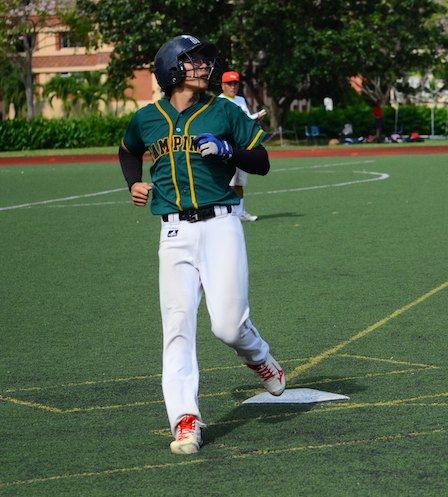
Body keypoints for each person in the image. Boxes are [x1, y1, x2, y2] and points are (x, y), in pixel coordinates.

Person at [118, 34, 286, 455]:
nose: (203, 67)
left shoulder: (224, 111)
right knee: (176, 328)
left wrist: (229, 150)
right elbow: (128, 151)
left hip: (221, 224)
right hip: (173, 232)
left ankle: (258, 355)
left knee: (227, 326)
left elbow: (261, 162)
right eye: (193, 61)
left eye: (204, 61)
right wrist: (134, 182)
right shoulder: (147, 118)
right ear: (171, 68)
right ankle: (185, 420)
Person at [219, 70, 259, 221]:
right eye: (229, 84)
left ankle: (240, 211)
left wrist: (255, 120)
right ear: (223, 85)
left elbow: (245, 120)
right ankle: (226, 214)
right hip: (227, 148)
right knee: (226, 182)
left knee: (240, 182)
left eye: (235, 83)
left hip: (242, 148)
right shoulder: (219, 101)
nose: (233, 87)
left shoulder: (241, 100)